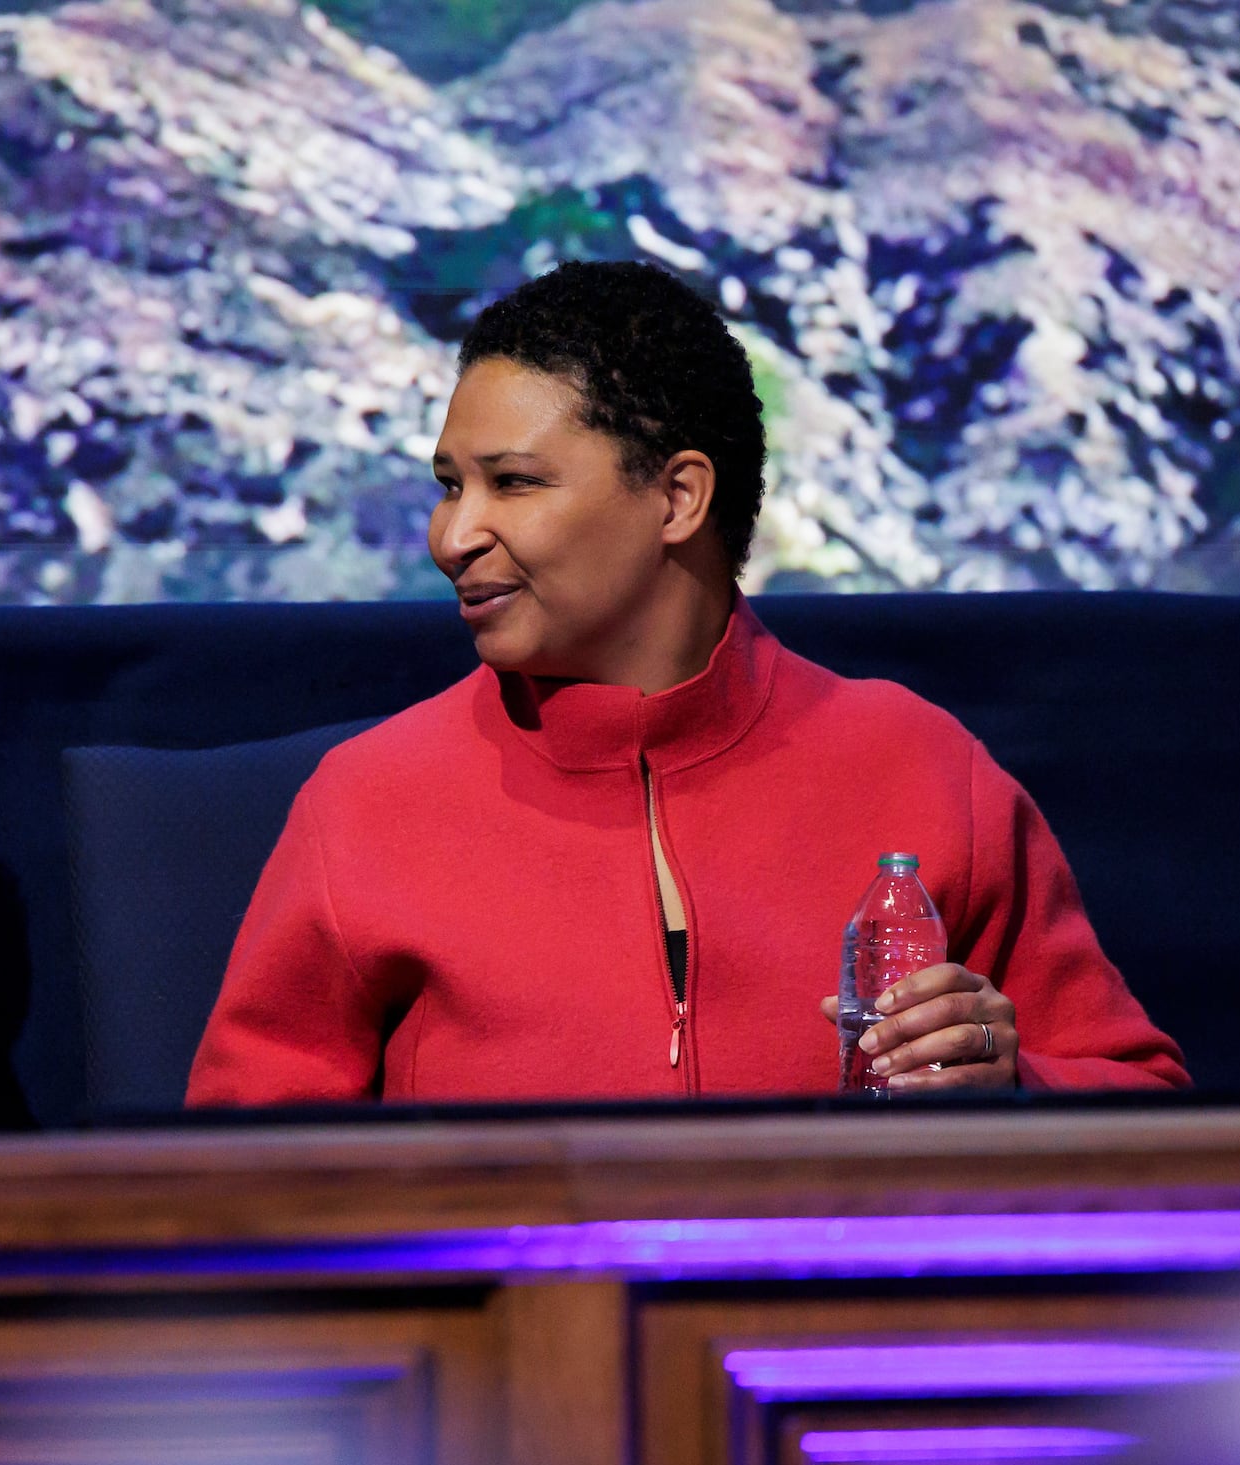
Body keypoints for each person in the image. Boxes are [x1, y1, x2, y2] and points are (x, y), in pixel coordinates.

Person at [187, 261, 1186, 1106]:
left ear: (677, 497)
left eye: (513, 482)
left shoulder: (922, 765)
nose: (453, 536)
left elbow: (1148, 1112)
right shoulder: (368, 802)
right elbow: (235, 1180)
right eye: (451, 486)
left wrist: (1013, 1085)